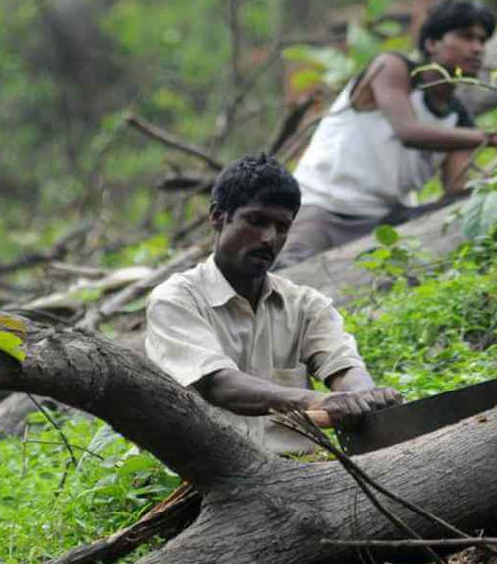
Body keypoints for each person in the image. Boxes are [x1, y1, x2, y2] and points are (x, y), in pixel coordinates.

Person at [145, 153, 402, 454]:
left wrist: (364, 397)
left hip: (308, 471)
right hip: (215, 478)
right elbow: (219, 385)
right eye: (256, 221)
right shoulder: (176, 300)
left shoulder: (305, 305)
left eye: (282, 227)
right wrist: (315, 401)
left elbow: (344, 367)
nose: (269, 238)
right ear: (217, 216)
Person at [276, 0, 497, 267]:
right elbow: (408, 132)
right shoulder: (392, 68)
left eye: (482, 41)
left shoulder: (457, 118)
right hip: (322, 209)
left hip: (383, 223)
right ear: (431, 43)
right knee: (291, 272)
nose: (477, 48)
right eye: (465, 37)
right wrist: (495, 139)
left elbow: (457, 192)